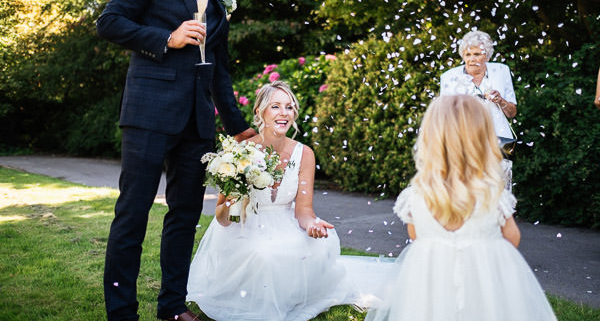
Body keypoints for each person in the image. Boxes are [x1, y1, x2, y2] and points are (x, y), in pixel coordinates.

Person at [96, 0, 255, 320]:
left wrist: (238, 127)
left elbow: (218, 70)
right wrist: (167, 37)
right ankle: (121, 313)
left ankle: (170, 308)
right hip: (149, 114)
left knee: (184, 218)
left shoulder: (219, 4)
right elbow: (110, 22)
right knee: (132, 214)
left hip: (197, 125)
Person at [186, 81, 395, 321]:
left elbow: (304, 211)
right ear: (260, 112)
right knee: (264, 254)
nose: (284, 113)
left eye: (289, 107)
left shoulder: (304, 154)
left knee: (318, 246)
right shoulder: (238, 153)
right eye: (275, 106)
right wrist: (235, 200)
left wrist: (311, 225)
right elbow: (223, 219)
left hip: (285, 222)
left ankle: (291, 295)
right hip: (244, 228)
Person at [365, 95, 557, 321]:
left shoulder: (416, 194)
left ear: (429, 138)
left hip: (431, 287)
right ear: (483, 139)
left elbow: (415, 235)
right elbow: (512, 237)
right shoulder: (492, 193)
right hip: (483, 285)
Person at [440, 30, 517, 190]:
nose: (472, 59)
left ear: (487, 56)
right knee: (468, 195)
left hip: (499, 141)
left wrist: (500, 100)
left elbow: (512, 113)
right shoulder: (449, 77)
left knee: (500, 195)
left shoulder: (501, 72)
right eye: (468, 54)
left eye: (477, 54)